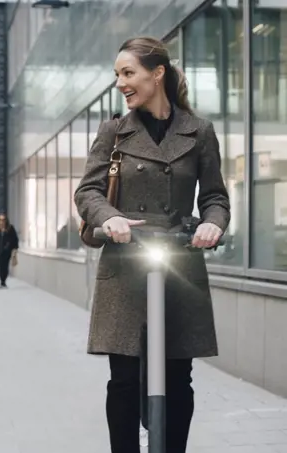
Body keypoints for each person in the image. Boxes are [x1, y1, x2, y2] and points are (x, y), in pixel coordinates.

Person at [73, 36, 230, 453]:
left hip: (180, 261)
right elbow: (88, 193)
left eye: (128, 73)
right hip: (125, 265)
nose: (121, 83)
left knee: (179, 378)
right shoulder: (114, 131)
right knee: (123, 378)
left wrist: (212, 225)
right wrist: (111, 218)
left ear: (157, 73)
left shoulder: (199, 132)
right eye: (117, 75)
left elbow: (214, 197)